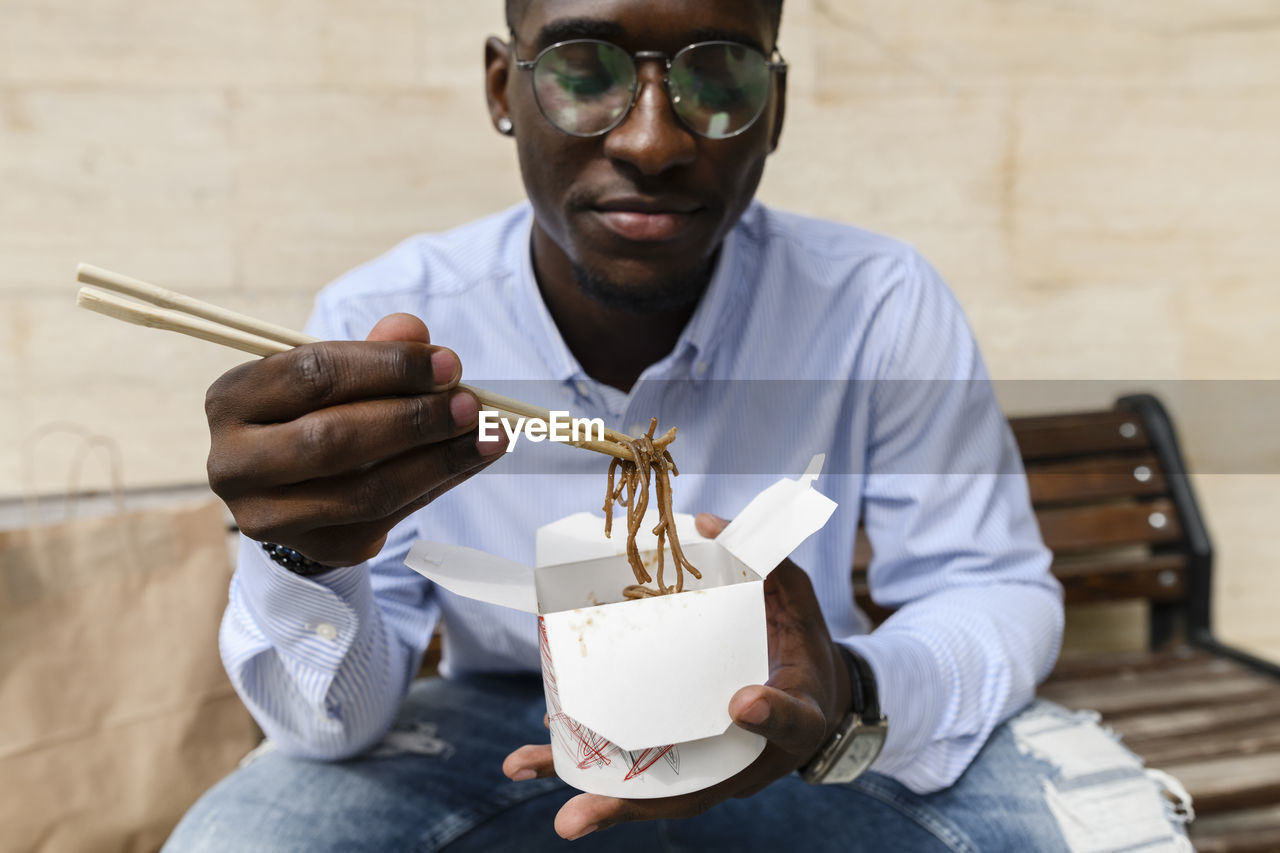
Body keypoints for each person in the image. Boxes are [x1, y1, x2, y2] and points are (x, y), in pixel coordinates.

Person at [164, 1, 1192, 850]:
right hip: (497, 724)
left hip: (793, 714)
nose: (651, 141)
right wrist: (300, 560)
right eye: (581, 69)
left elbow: (990, 584)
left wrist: (850, 688)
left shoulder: (874, 301)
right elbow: (327, 727)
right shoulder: (389, 317)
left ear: (775, 106)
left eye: (717, 80)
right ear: (500, 90)